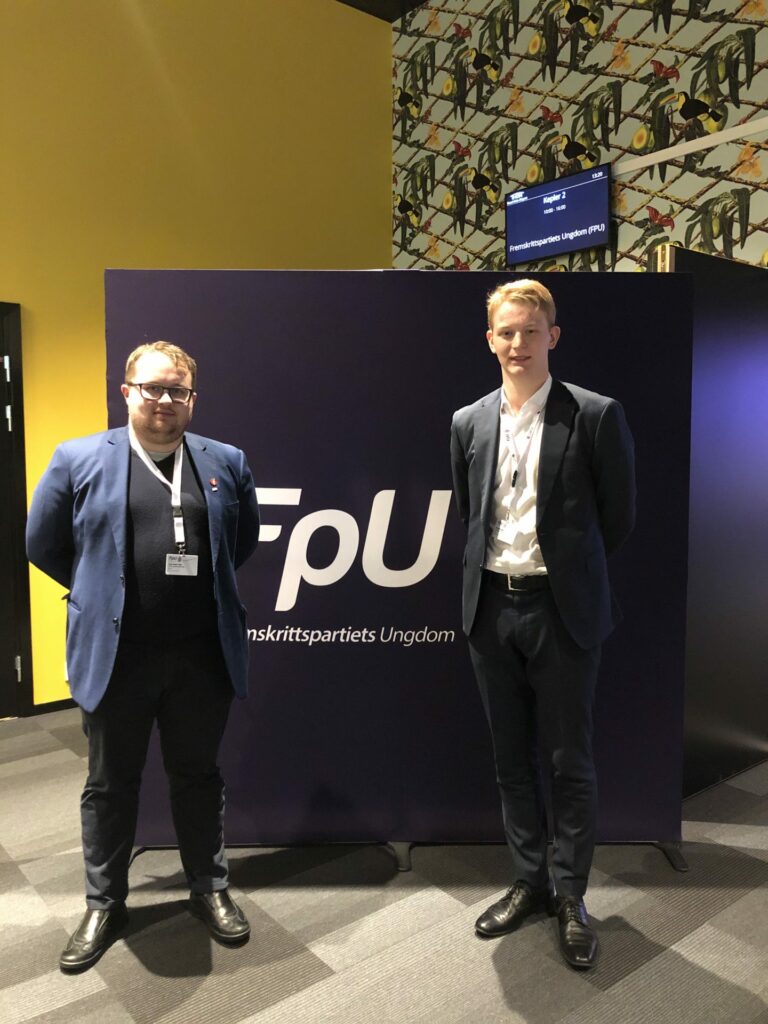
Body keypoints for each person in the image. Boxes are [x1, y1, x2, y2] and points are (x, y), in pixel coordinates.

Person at [27, 341, 260, 972]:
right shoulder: (77, 458)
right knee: (110, 785)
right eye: (152, 388)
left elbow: (240, 544)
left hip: (200, 657)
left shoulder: (225, 461)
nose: (164, 400)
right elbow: (42, 543)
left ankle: (209, 888)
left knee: (198, 777)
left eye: (177, 390)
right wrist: (100, 590)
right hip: (118, 657)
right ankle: (105, 903)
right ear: (127, 391)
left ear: (192, 398)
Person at [450, 280, 635, 969]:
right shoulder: (467, 421)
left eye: (531, 330)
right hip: (490, 609)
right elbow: (470, 512)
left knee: (568, 763)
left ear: (552, 336)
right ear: (490, 340)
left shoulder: (595, 414)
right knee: (510, 761)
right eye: (507, 331)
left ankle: (571, 896)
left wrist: (564, 573)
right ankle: (529, 882)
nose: (518, 343)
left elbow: (618, 517)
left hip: (562, 612)